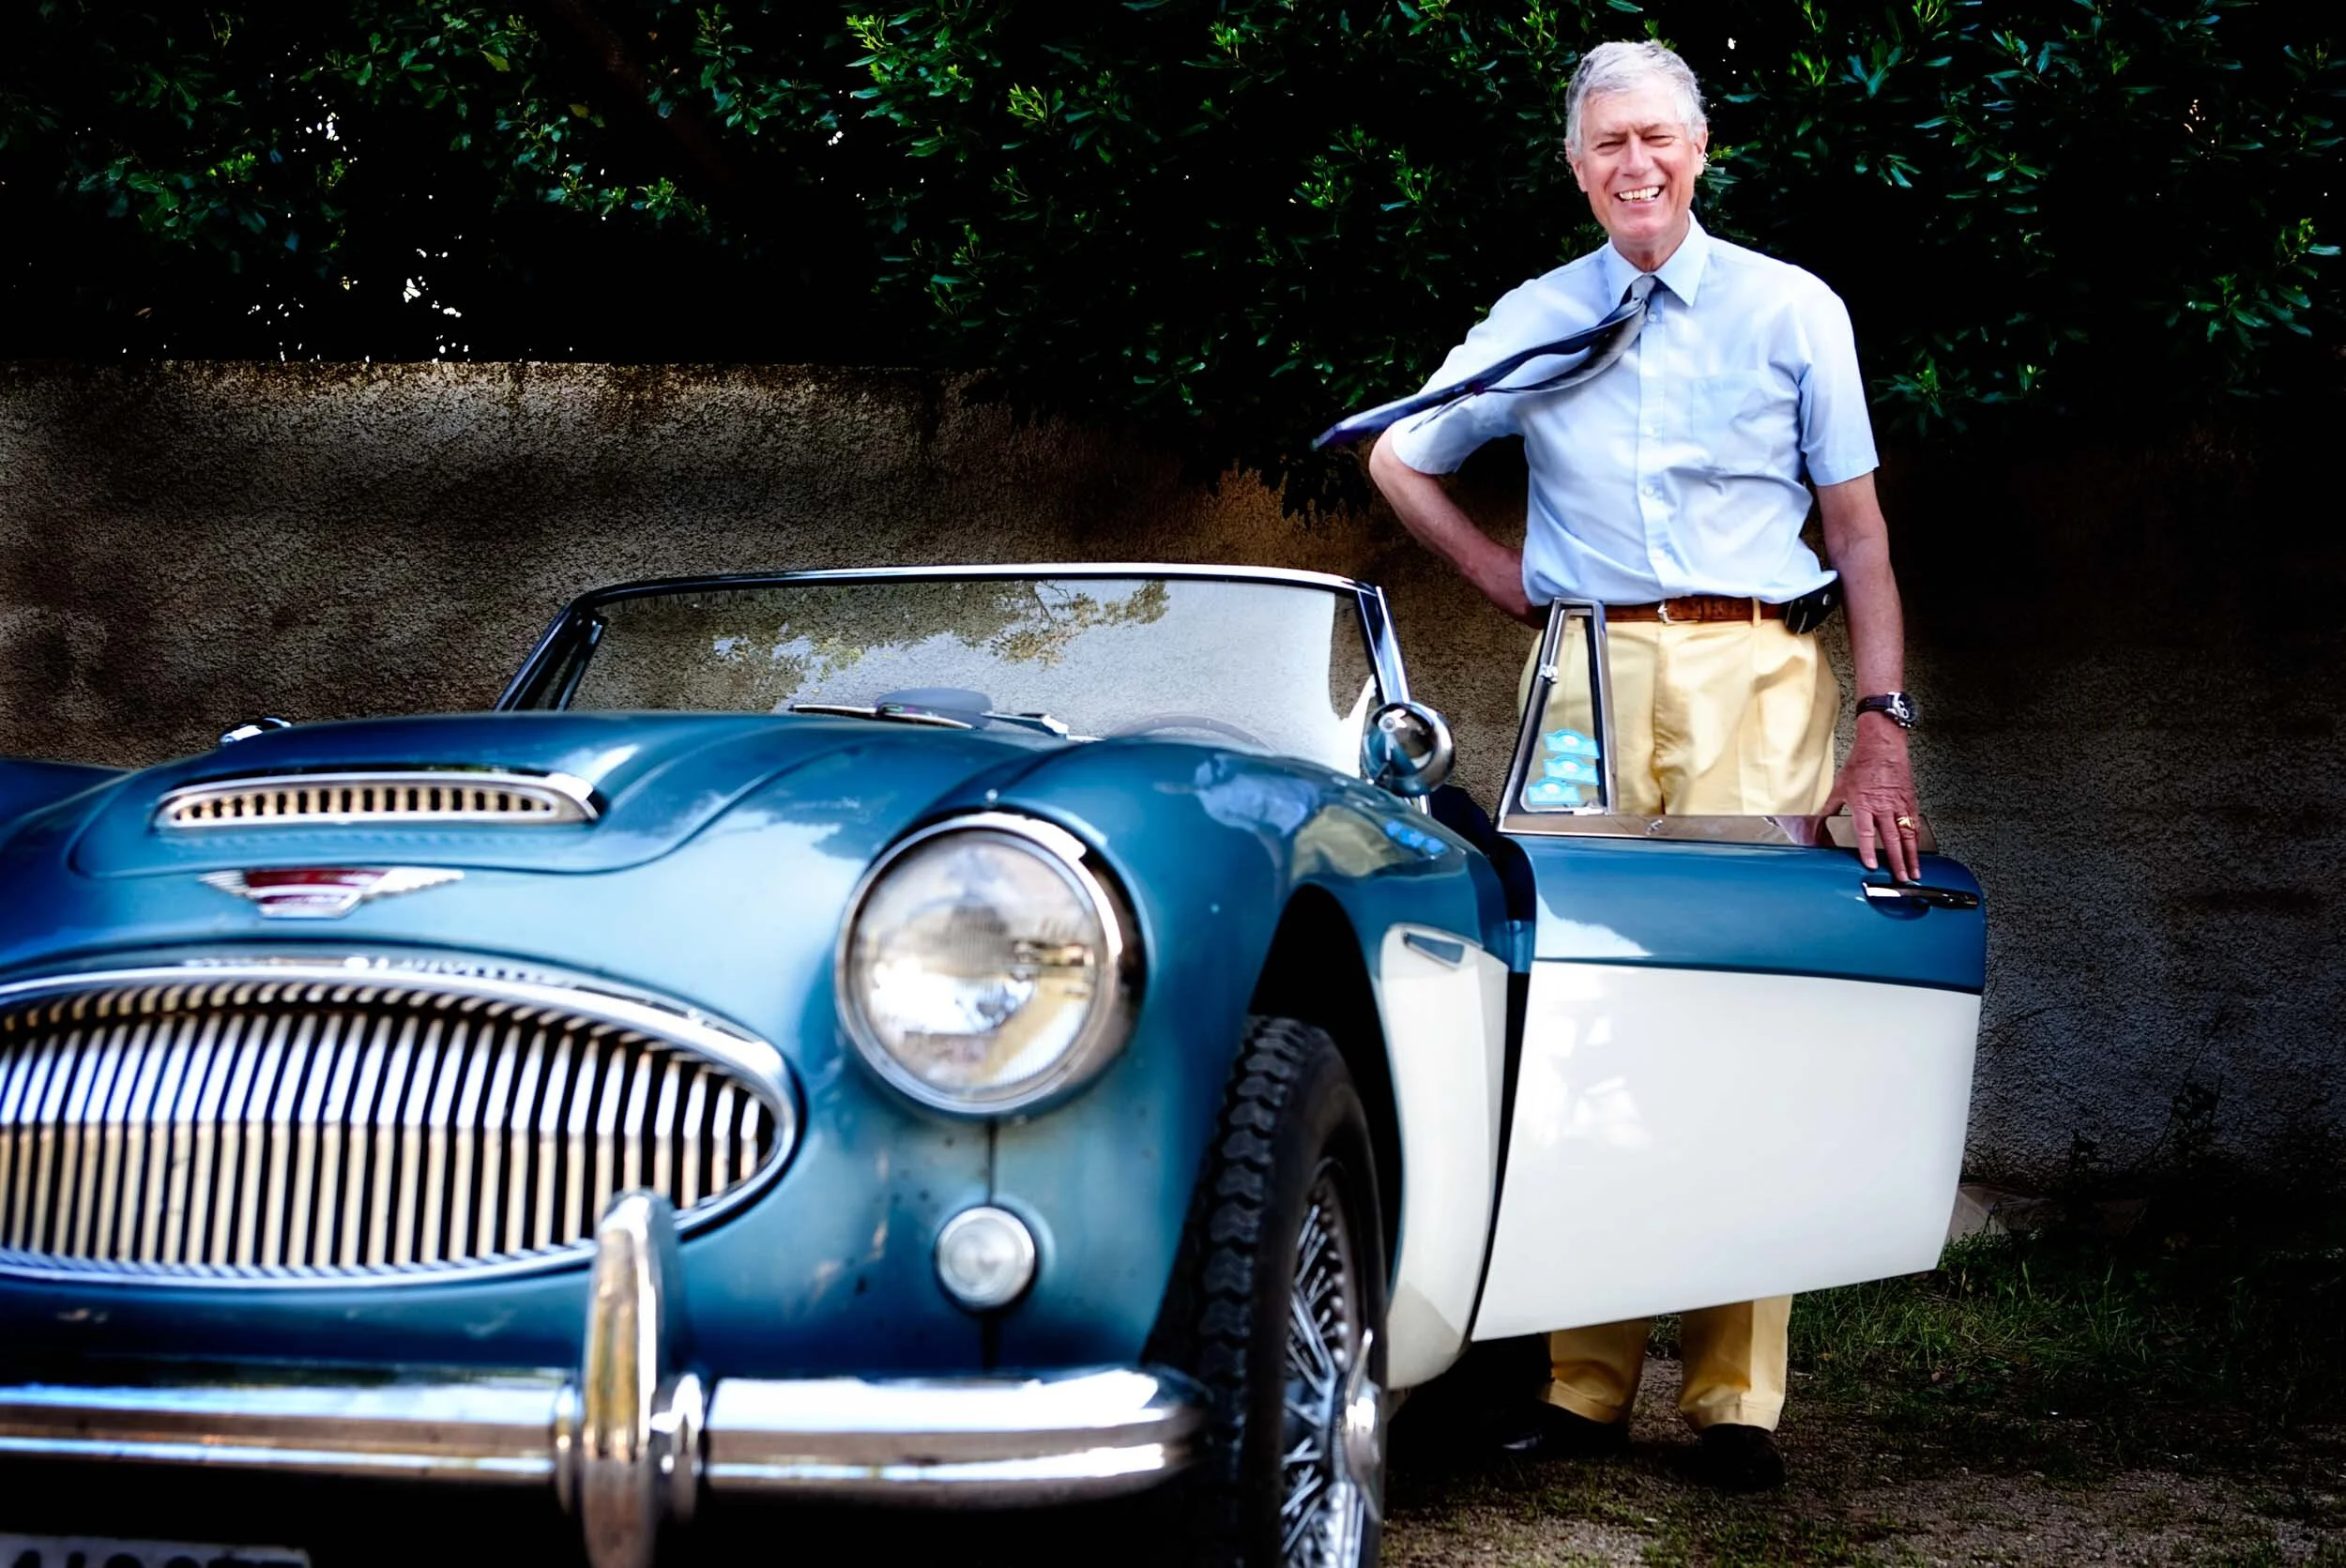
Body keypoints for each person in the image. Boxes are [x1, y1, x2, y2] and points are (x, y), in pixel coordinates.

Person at [1367, 39, 1923, 1491]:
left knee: (1754, 1019)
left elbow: (1857, 535)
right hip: (1588, 685)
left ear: (1701, 146)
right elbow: (1397, 457)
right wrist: (1507, 580)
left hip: (1761, 671)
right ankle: (1586, 1384)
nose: (1635, 164)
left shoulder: (1792, 308)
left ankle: (1736, 1401)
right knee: (1589, 1017)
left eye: (1657, 139)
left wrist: (1883, 724)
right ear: (1577, 164)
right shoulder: (1539, 315)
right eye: (1607, 143)